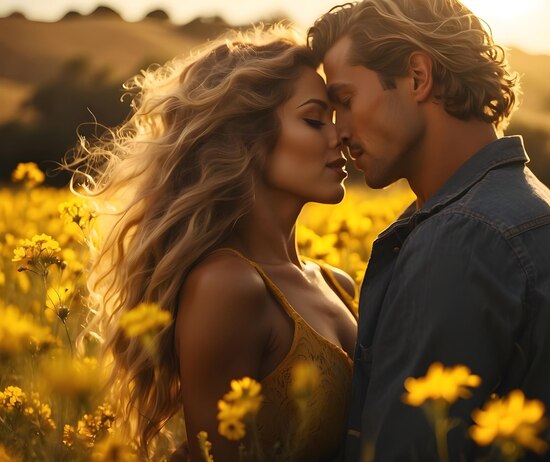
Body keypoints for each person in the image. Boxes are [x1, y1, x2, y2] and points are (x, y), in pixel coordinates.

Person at [308, 1, 550, 460]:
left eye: (345, 101)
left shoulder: (463, 237)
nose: (338, 131)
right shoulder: (539, 209)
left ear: (419, 77)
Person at [72, 27, 358, 461]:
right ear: (246, 138)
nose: (339, 136)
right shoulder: (227, 287)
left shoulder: (336, 282)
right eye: (315, 120)